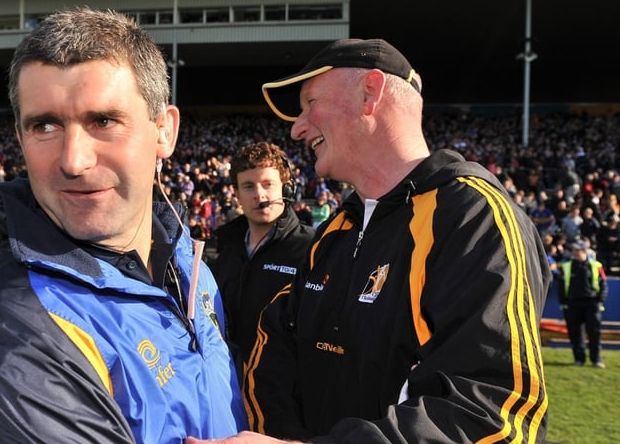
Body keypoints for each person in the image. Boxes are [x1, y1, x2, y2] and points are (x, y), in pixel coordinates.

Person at [190, 38, 551, 443]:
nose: (297, 128)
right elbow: (273, 355)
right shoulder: (335, 233)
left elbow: (492, 414)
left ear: (370, 93)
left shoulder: (472, 216)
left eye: (310, 102)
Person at [0, 7, 246, 443]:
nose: (74, 160)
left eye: (104, 121)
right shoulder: (10, 333)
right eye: (45, 125)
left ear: (165, 130)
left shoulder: (190, 266)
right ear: (20, 138)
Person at [211, 142, 314, 380]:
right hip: (231, 390)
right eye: (249, 186)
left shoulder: (311, 248)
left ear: (285, 190)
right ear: (236, 194)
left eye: (268, 184)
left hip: (288, 400)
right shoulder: (223, 249)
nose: (259, 195)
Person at [558, 240, 608, 368]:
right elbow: (561, 286)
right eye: (573, 250)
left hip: (591, 304)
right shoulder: (567, 266)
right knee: (575, 334)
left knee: (594, 333)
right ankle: (579, 360)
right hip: (573, 304)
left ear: (585, 251)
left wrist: (599, 301)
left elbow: (604, 286)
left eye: (578, 250)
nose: (575, 252)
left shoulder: (596, 266)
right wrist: (564, 303)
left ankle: (596, 360)